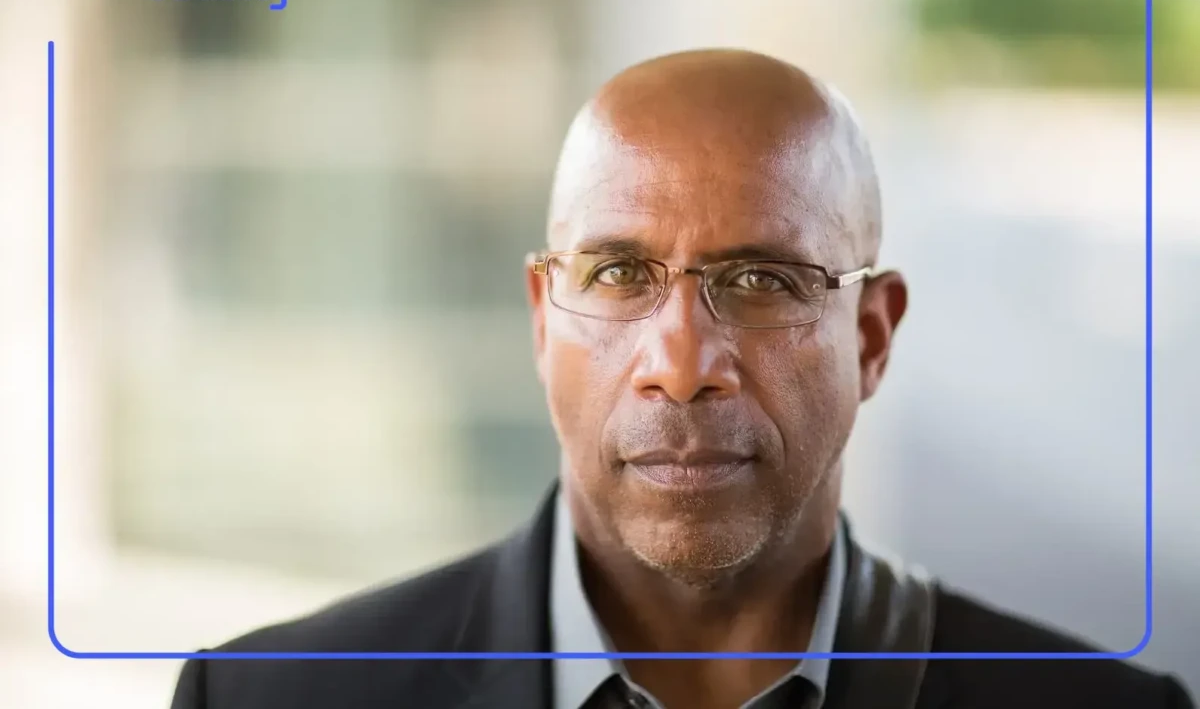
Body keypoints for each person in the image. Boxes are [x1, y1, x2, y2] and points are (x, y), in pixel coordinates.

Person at [170, 49, 1194, 709]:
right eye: (618, 274)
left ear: (872, 337)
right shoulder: (270, 698)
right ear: (542, 319)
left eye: (761, 280)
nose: (682, 364)